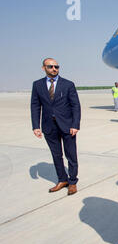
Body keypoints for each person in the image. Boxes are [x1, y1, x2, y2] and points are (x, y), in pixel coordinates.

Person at [31, 58, 81, 196]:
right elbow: (35, 106)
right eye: (51, 66)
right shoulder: (37, 85)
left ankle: (72, 182)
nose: (54, 69)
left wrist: (75, 125)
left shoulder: (68, 84)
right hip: (48, 126)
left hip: (67, 126)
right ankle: (62, 179)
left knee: (71, 155)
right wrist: (36, 126)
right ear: (44, 68)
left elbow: (76, 106)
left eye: (56, 67)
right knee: (56, 155)